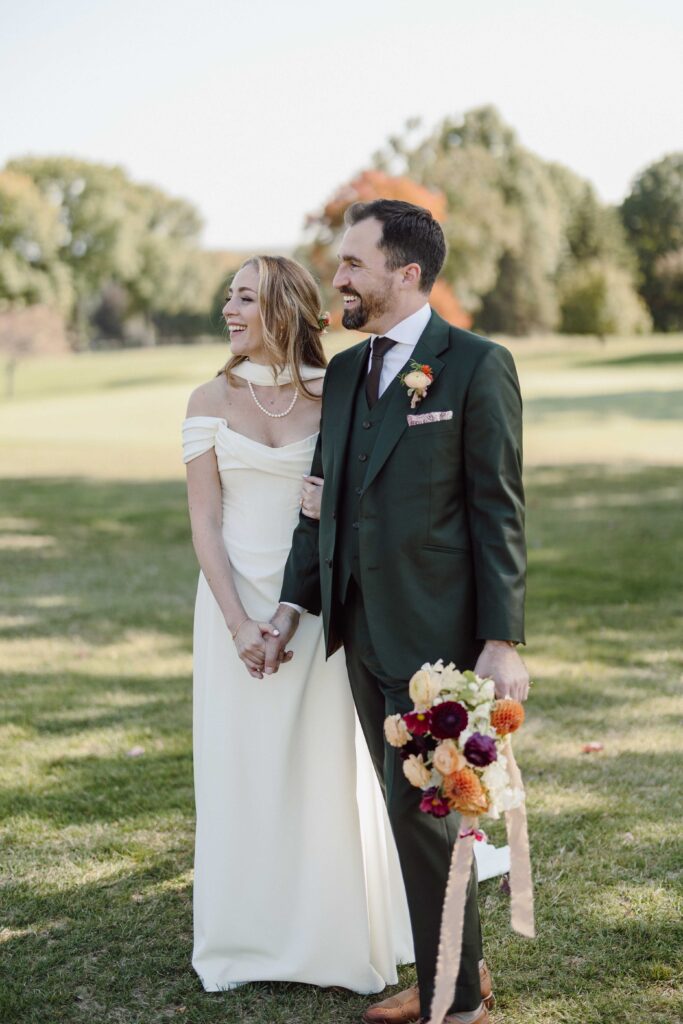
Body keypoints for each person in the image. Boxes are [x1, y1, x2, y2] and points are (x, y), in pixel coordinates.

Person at [267, 200, 530, 1024]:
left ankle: (454, 998)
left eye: (351, 263)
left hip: (439, 638)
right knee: (411, 812)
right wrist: (289, 606)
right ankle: (458, 975)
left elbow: (497, 511)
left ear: (405, 273)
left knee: (427, 812)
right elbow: (323, 504)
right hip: (360, 629)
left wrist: (500, 639)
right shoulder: (347, 372)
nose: (336, 278)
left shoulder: (476, 365)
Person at [182, 255, 413, 995]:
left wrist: (286, 612)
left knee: (321, 768)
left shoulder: (335, 392)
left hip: (314, 607)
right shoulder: (206, 398)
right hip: (230, 603)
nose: (229, 309)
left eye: (244, 297)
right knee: (239, 764)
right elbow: (204, 523)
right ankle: (247, 935)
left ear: (282, 307)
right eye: (228, 297)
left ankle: (330, 932)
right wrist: (238, 623)